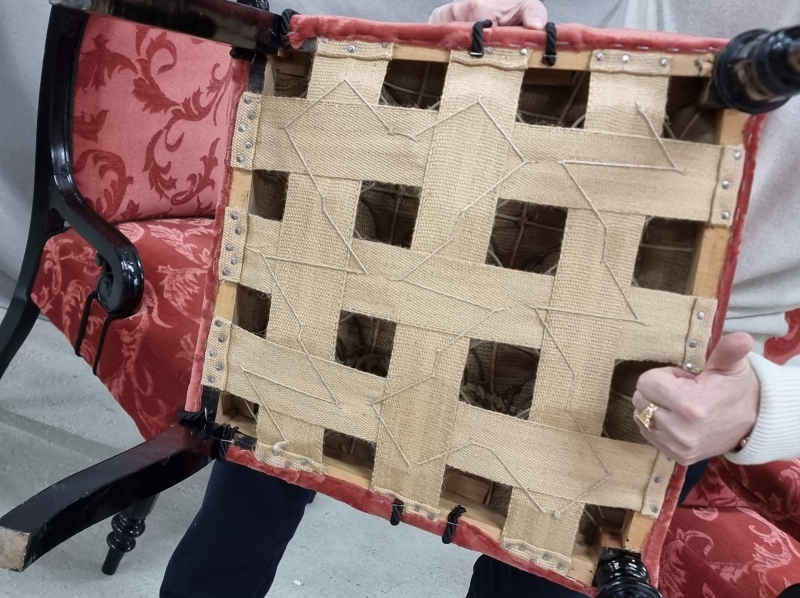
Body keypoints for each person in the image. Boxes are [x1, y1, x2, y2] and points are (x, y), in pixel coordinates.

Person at [161, 1, 800, 597]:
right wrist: (470, 32)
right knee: (242, 500)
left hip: (656, 369)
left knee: (535, 577)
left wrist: (765, 406)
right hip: (403, 235)